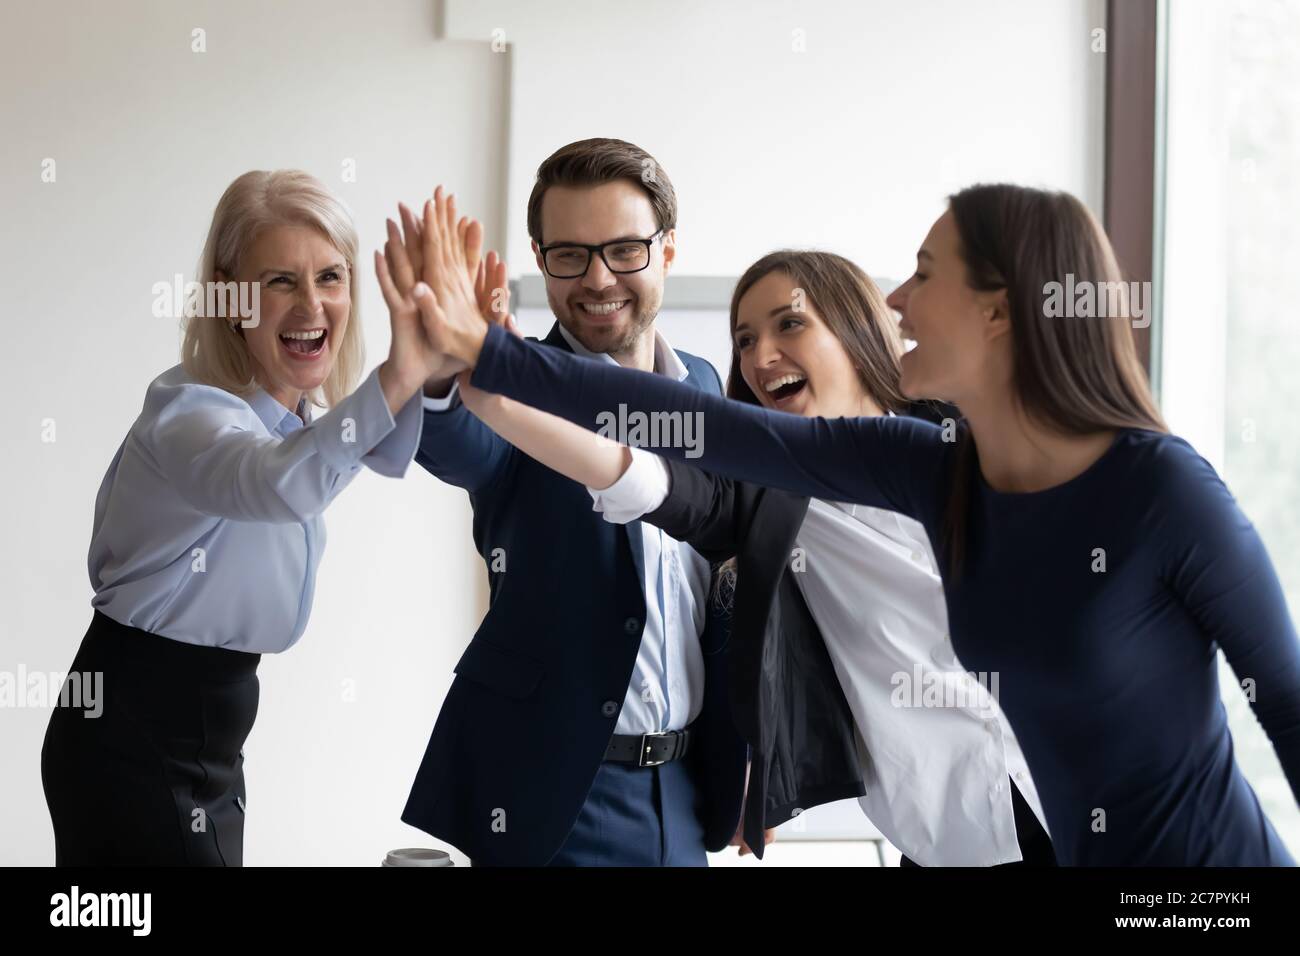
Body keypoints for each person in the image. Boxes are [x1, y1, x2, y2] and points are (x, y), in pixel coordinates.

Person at [417, 182, 1300, 866]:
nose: (900, 298)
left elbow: (1286, 705)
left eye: (923, 274)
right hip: (955, 842)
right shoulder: (893, 473)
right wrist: (491, 361)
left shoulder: (1153, 486)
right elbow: (662, 443)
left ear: (999, 310)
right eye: (743, 338)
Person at [453, 247, 1057, 866]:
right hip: (952, 837)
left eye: (789, 323)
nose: (761, 356)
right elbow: (637, 476)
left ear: (854, 326)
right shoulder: (765, 498)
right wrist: (502, 394)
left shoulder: (975, 434)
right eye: (744, 339)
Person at [41, 169, 442, 865]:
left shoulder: (291, 424)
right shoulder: (190, 417)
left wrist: (436, 354)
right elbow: (282, 484)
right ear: (230, 297)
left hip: (209, 734)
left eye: (330, 276)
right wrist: (402, 371)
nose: (311, 304)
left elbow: (349, 453)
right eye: (279, 282)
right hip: (132, 729)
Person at [397, 141, 746, 866]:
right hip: (557, 796)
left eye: (623, 250)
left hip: (684, 793)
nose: (597, 279)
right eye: (569, 255)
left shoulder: (708, 386)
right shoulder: (517, 382)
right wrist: (438, 378)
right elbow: (463, 444)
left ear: (668, 251)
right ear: (539, 257)